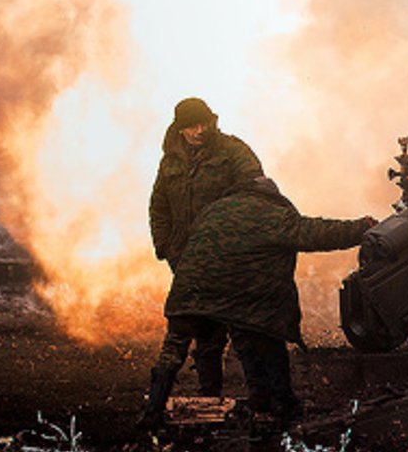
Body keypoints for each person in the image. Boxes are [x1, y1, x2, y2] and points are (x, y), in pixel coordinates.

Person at [138, 175, 375, 428]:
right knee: (265, 339)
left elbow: (186, 243)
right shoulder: (271, 214)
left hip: (189, 293)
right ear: (272, 195)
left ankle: (153, 410)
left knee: (173, 350)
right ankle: (282, 404)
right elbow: (317, 233)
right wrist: (362, 227)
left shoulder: (213, 211)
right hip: (242, 298)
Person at [146, 97, 263, 399]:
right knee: (199, 332)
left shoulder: (233, 152)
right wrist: (166, 247)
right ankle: (207, 397)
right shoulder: (171, 160)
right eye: (191, 126)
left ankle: (264, 403)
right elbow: (159, 207)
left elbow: (255, 194)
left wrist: (239, 245)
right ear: (180, 129)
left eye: (204, 123)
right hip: (186, 262)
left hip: (228, 261)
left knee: (245, 334)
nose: (199, 130)